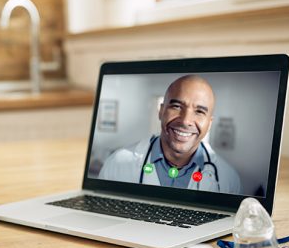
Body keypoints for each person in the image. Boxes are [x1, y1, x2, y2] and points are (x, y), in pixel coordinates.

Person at [98, 75, 242, 194]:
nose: (185, 121)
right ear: (161, 111)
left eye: (199, 111)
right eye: (177, 106)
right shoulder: (117, 163)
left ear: (209, 124)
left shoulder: (227, 178)